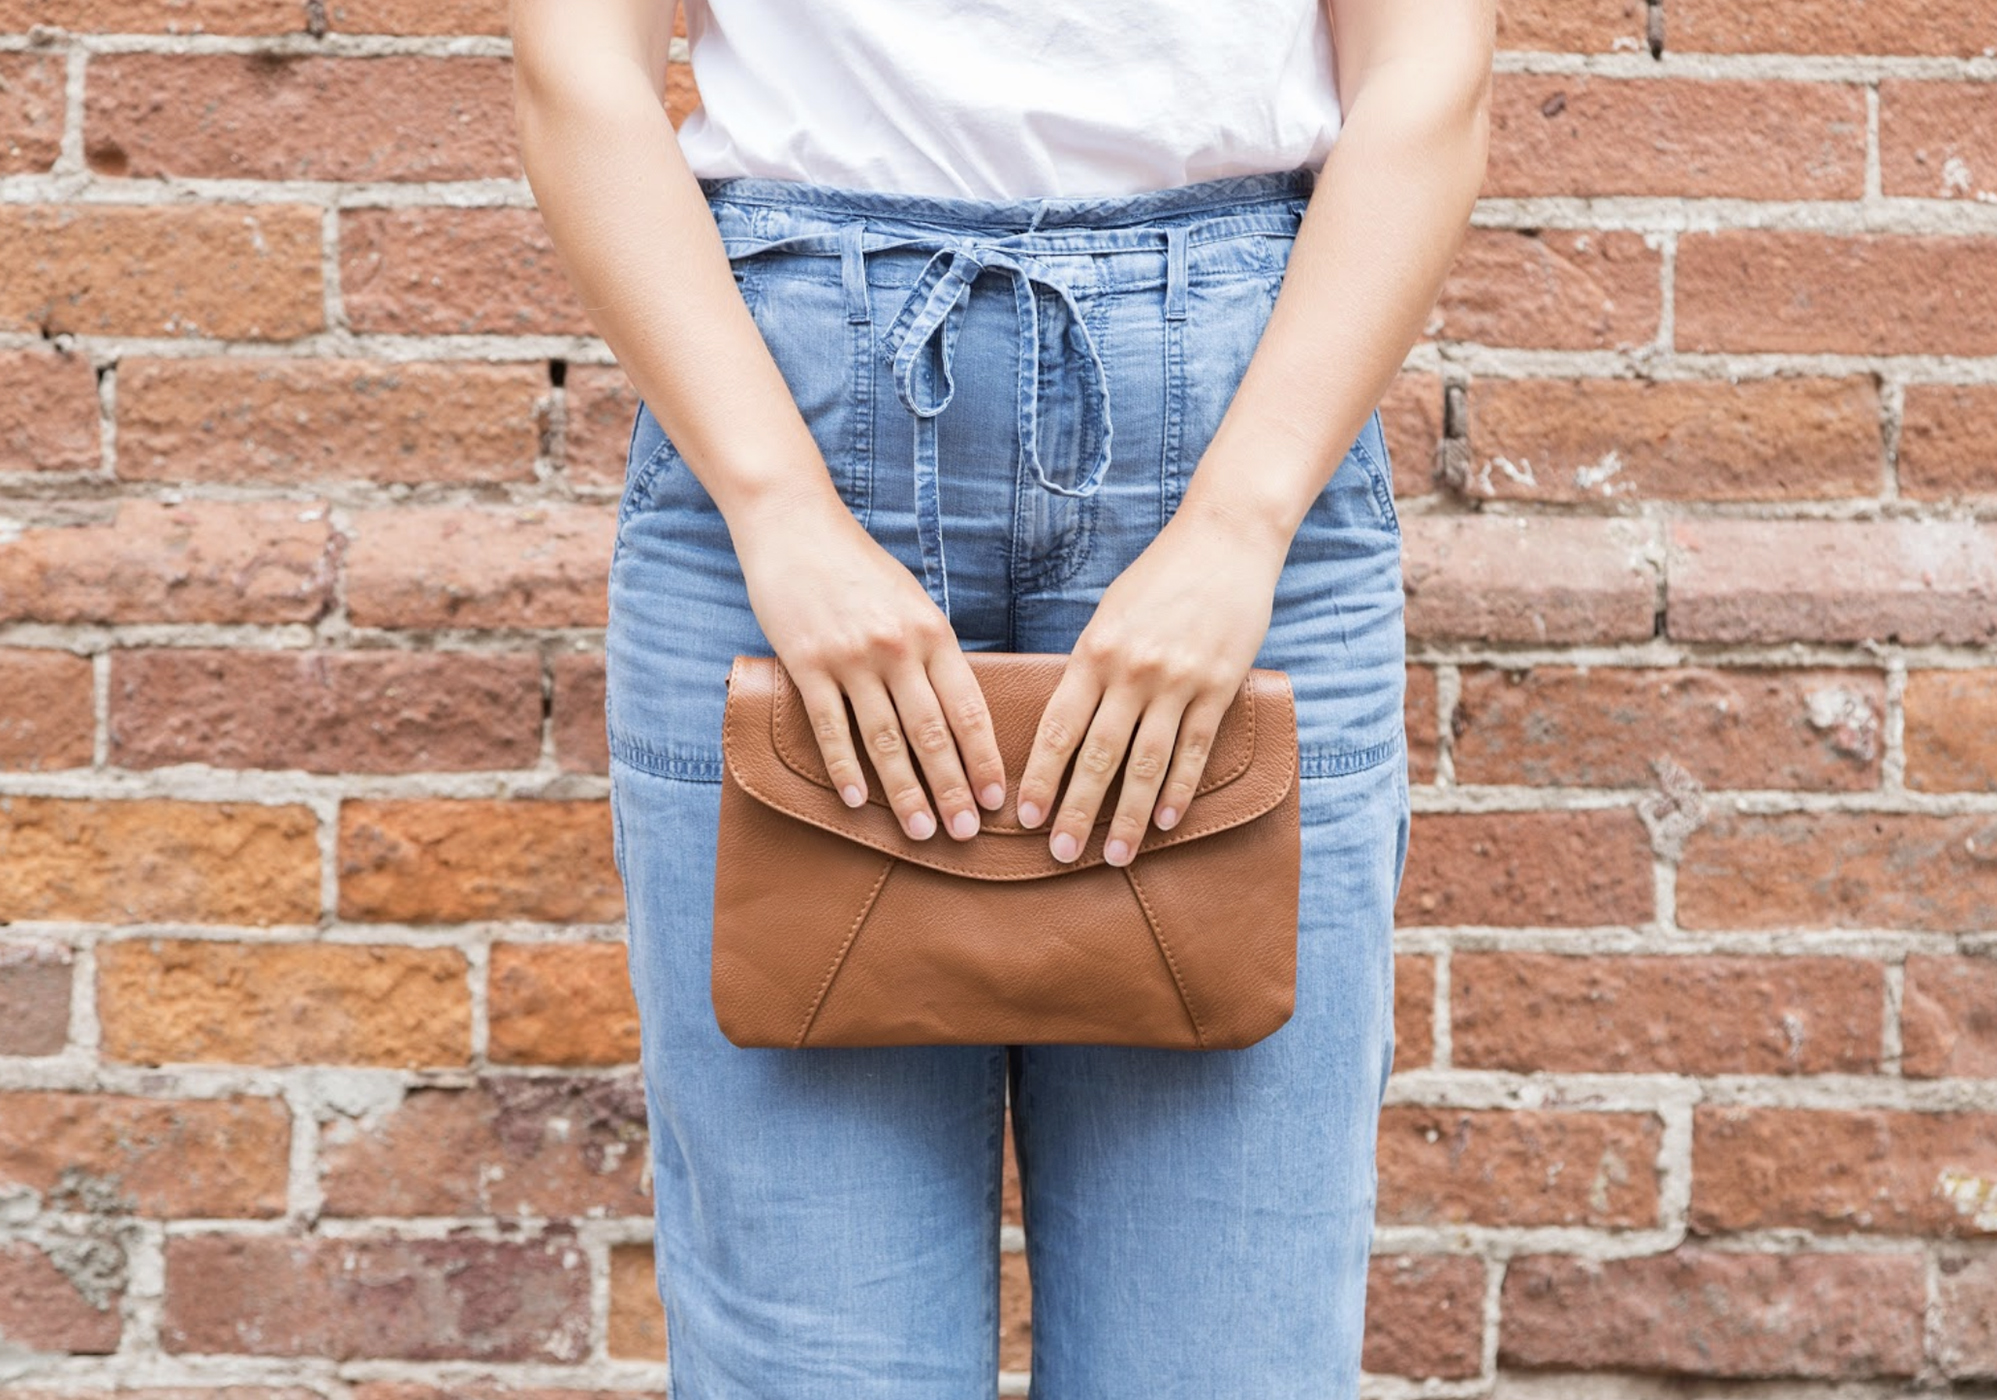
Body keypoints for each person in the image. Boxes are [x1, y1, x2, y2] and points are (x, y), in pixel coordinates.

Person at [509, 1, 1493, 1394]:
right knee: (811, 1366)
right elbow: (575, 68)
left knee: (1225, 1361)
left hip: (1240, 433)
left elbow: (1430, 74)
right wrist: (780, 511)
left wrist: (1237, 527)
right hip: (783, 437)